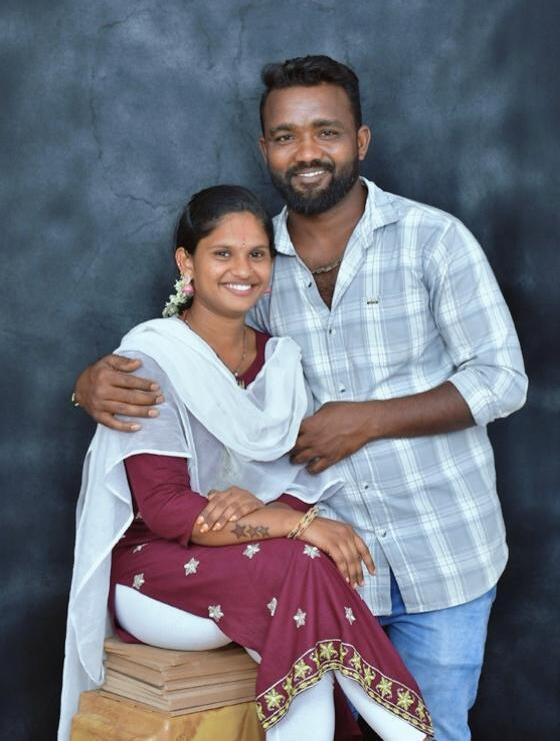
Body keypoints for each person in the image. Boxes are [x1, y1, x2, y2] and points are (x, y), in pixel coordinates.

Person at [72, 57, 528, 741]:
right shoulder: (252, 266)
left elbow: (502, 377)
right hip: (319, 560)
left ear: (361, 141)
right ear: (265, 149)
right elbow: (209, 386)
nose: (307, 151)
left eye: (327, 132)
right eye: (286, 136)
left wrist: (367, 420)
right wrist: (91, 383)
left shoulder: (434, 240)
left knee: (433, 728)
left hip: (443, 551)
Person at [59, 185, 433, 741]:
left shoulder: (279, 362)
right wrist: (295, 524)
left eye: (257, 254)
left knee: (302, 583)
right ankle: (409, 733)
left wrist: (264, 507)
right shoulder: (151, 360)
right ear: (187, 262)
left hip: (253, 564)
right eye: (222, 253)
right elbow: (166, 509)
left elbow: (301, 476)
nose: (243, 269)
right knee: (304, 563)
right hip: (154, 577)